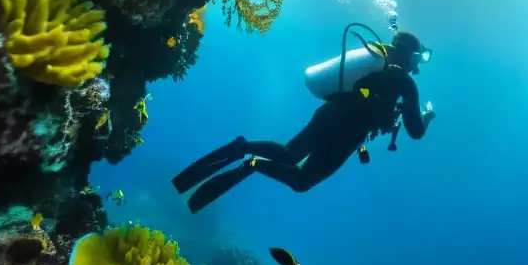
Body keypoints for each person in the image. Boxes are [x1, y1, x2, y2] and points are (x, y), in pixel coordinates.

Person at [172, 30, 437, 214]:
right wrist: (427, 116)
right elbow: (415, 132)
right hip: (347, 134)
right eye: (418, 57)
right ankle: (252, 165)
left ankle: (243, 148)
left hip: (330, 113)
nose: (417, 64)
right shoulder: (405, 82)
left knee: (288, 154)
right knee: (301, 181)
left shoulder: (374, 65)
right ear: (408, 54)